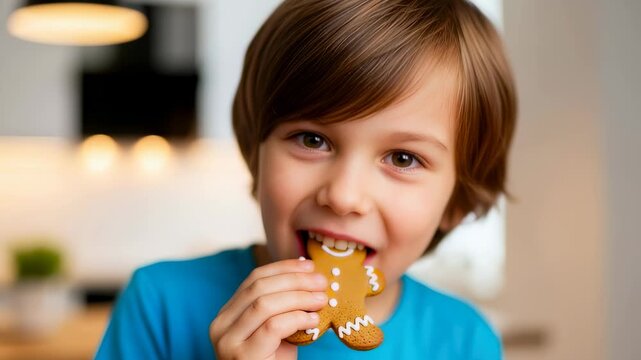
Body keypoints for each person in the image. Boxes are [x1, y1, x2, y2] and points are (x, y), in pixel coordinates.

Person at [95, 0, 516, 359]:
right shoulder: (159, 303)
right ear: (256, 151)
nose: (343, 196)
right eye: (312, 139)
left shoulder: (465, 342)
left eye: (403, 158)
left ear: (457, 203)